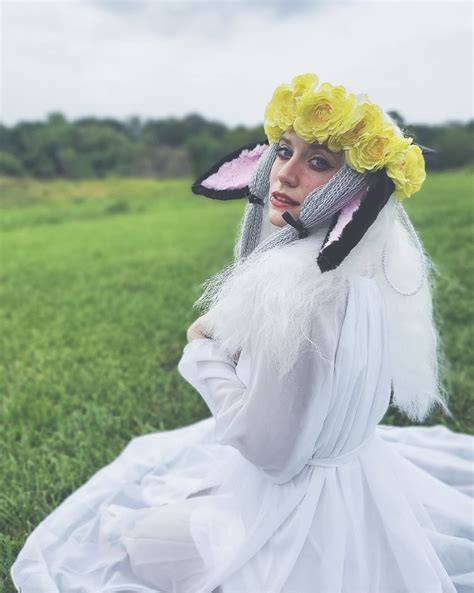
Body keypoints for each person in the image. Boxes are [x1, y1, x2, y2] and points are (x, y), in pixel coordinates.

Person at [11, 73, 473, 593]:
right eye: (283, 152)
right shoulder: (366, 270)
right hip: (355, 482)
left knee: (129, 544)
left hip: (293, 516)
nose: (286, 174)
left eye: (319, 162)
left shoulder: (299, 290)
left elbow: (274, 455)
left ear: (356, 193)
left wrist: (203, 355)